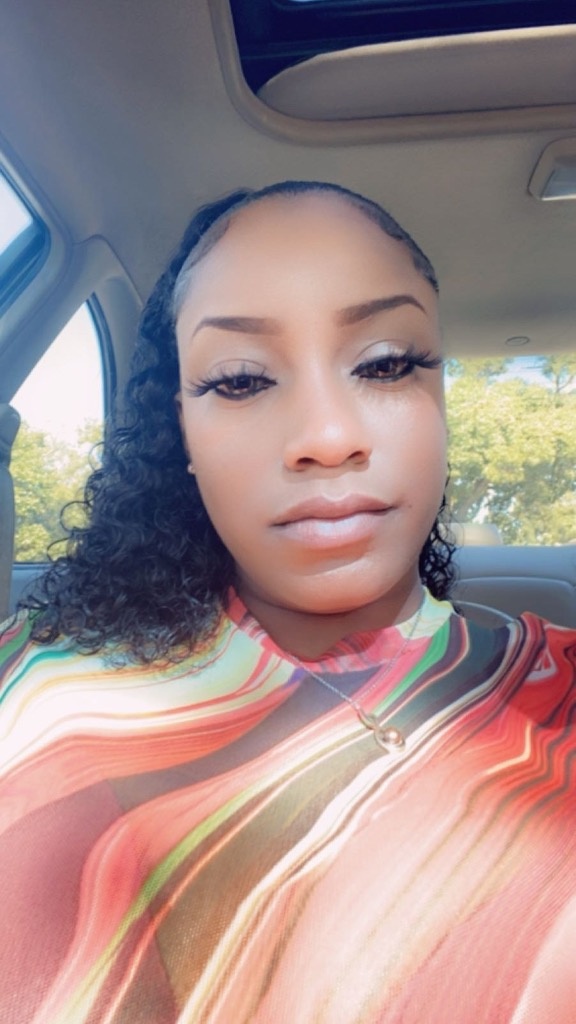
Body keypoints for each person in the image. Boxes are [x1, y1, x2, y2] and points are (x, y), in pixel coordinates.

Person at [0, 180, 574, 1024]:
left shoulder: (559, 687)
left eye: (386, 363)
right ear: (181, 431)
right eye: (240, 380)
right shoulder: (37, 678)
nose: (327, 437)